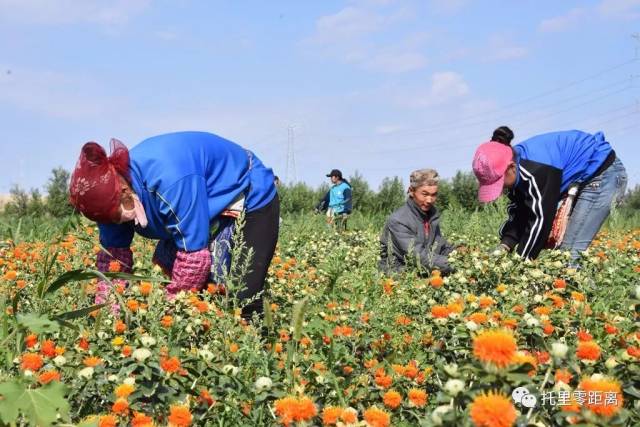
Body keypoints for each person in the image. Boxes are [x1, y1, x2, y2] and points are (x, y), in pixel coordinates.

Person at [69, 131, 279, 319]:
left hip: (246, 191)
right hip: (202, 204)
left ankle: (262, 347)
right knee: (208, 290)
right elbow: (113, 260)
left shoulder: (169, 179)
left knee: (242, 292)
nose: (115, 223)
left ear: (124, 190)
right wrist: (106, 314)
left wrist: (169, 318)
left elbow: (193, 257)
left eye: (115, 216)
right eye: (108, 219)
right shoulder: (106, 198)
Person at [472, 126, 627, 261]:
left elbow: (541, 220)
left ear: (511, 167)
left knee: (569, 255)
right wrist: (505, 244)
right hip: (587, 176)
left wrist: (519, 265)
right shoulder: (514, 167)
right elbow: (521, 212)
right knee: (564, 257)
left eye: (498, 183)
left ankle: (586, 294)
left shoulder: (536, 169)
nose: (500, 189)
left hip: (604, 174)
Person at [379, 169, 454, 275]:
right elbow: (418, 257)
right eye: (424, 194)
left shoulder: (431, 217)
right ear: (412, 191)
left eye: (433, 195)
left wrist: (461, 252)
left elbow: (440, 247)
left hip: (425, 271)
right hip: (400, 276)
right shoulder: (398, 220)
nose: (429, 200)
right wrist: (455, 262)